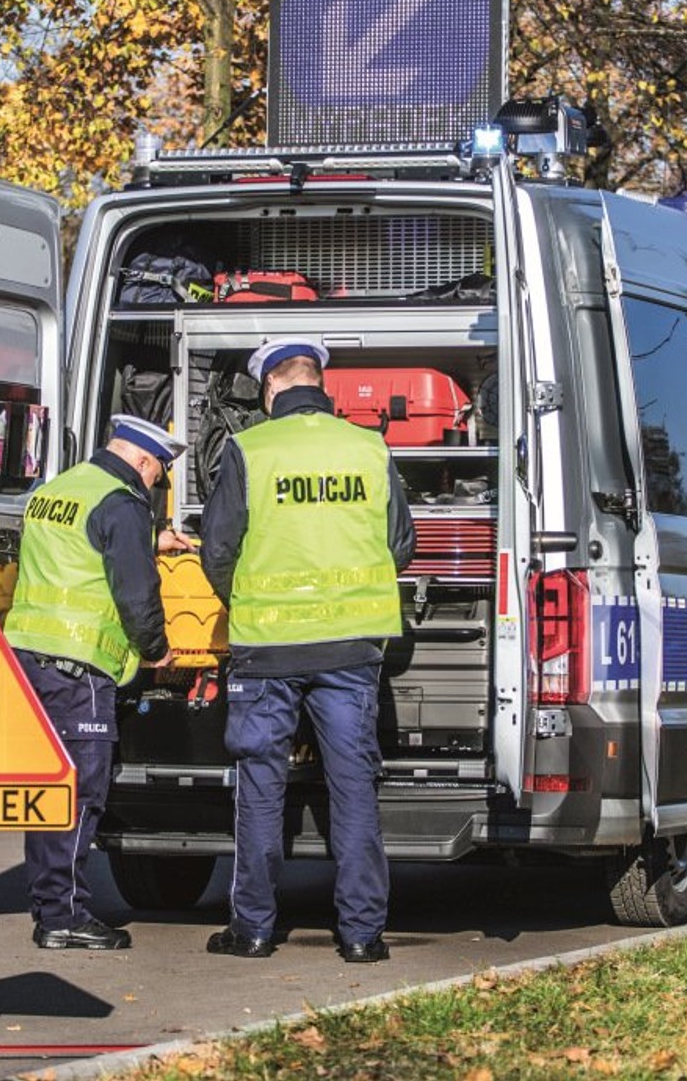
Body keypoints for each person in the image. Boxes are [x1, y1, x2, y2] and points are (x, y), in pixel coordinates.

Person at [199, 337, 416, 963]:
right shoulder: (369, 448)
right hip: (351, 649)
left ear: (270, 388)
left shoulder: (249, 449)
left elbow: (218, 551)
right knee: (353, 789)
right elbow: (401, 544)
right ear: (322, 384)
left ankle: (255, 928)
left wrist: (249, 602)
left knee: (261, 787)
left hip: (267, 650)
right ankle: (361, 936)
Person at [2, 413, 190, 950]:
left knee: (45, 789)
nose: (155, 485)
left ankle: (48, 902)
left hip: (31, 658)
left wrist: (151, 539)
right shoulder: (123, 502)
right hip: (79, 666)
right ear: (142, 459)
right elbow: (135, 593)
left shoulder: (57, 489)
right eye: (158, 474)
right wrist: (157, 650)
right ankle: (64, 916)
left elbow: (79, 551)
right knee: (81, 793)